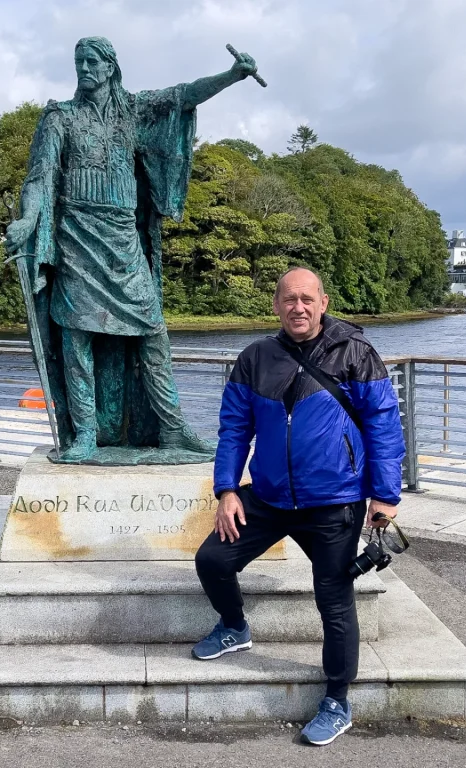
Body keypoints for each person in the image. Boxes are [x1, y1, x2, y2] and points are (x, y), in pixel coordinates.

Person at [4, 37, 259, 463]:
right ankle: (84, 434)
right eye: (78, 61)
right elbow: (41, 177)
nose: (84, 68)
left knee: (153, 331)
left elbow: (182, 96)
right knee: (76, 334)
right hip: (77, 237)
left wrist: (232, 76)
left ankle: (173, 429)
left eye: (92, 61)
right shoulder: (59, 118)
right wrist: (29, 220)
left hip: (122, 239)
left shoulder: (133, 110)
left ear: (110, 66)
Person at [193, 267, 405, 746]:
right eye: (289, 299)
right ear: (276, 305)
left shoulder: (356, 354)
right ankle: (234, 626)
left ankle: (337, 699)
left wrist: (385, 496)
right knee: (212, 559)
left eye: (307, 299)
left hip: (334, 503)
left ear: (324, 302)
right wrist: (227, 489)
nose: (298, 308)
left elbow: (384, 428)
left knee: (333, 599)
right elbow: (233, 428)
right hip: (267, 497)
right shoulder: (255, 358)